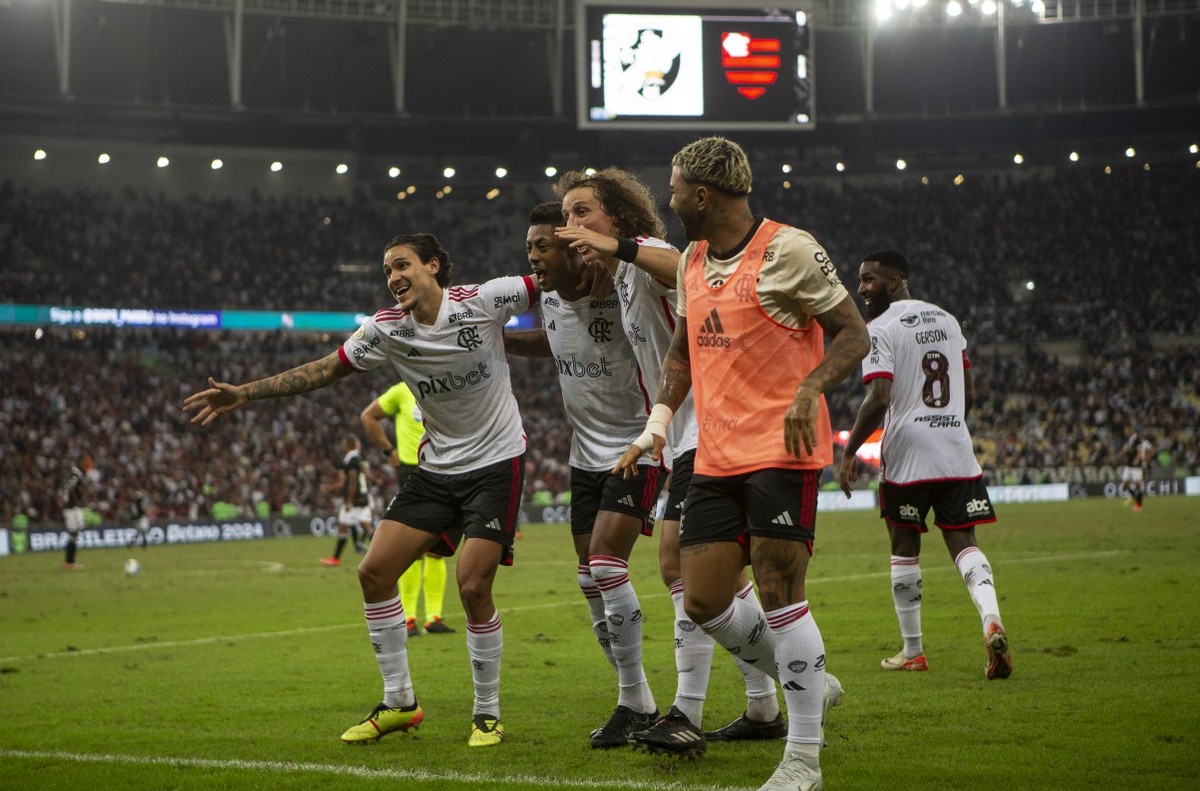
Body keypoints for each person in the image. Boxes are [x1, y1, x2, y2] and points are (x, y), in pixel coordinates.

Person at [184, 232, 536, 748]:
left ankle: (487, 714)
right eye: (387, 270)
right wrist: (247, 393)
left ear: (434, 266)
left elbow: (552, 281)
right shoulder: (386, 329)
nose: (393, 277)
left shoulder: (485, 300)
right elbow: (326, 370)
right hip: (435, 470)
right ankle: (399, 703)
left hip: (496, 463)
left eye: (402, 265)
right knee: (373, 572)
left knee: (472, 586)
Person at [614, 136, 870, 791]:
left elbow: (853, 330)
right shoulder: (694, 260)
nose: (669, 203)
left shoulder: (788, 248)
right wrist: (655, 428)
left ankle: (803, 758)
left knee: (782, 593)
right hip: (714, 455)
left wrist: (811, 389)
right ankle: (810, 673)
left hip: (782, 449)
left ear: (702, 194)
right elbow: (681, 356)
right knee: (702, 598)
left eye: (673, 191)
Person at [554, 170, 826, 758]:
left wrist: (618, 247)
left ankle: (689, 711)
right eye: (567, 216)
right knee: (714, 584)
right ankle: (767, 702)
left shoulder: (651, 256)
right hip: (682, 434)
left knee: (679, 567)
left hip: (717, 429)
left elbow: (669, 259)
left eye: (582, 213)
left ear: (618, 219)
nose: (572, 225)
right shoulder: (622, 278)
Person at [507, 201, 666, 749]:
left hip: (639, 446)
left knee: (606, 563)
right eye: (529, 247)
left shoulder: (621, 290)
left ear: (576, 247)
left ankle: (635, 703)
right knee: (587, 576)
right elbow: (550, 344)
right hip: (585, 455)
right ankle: (637, 696)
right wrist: (497, 339)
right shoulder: (549, 299)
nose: (532, 257)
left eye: (542, 246)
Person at [835, 250, 1013, 683]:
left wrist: (849, 452)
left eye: (869, 280)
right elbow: (967, 390)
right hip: (954, 444)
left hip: (909, 451)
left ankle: (913, 651)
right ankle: (991, 619)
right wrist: (949, 424)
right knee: (964, 543)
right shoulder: (949, 321)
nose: (860, 289)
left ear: (895, 280)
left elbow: (878, 399)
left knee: (903, 543)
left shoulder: (879, 328)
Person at [361, 382, 455, 636]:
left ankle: (433, 617)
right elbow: (368, 417)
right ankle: (409, 618)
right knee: (413, 549)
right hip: (413, 471)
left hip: (445, 469)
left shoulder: (443, 383)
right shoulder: (401, 391)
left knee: (438, 549)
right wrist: (389, 451)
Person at [320, 435, 375, 567]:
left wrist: (349, 500)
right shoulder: (361, 458)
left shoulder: (349, 460)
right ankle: (382, 556)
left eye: (343, 443)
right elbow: (368, 477)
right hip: (364, 497)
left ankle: (335, 558)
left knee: (344, 526)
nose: (341, 446)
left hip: (354, 499)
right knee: (367, 528)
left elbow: (351, 480)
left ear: (349, 445)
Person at [59, 459, 88, 570]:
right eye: (84, 464)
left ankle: (69, 563)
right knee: (74, 534)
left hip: (69, 508)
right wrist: (77, 502)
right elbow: (71, 489)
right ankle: (69, 563)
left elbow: (66, 489)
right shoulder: (76, 475)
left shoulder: (70, 475)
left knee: (74, 534)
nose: (86, 466)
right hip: (72, 508)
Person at [1118, 428, 1153, 512]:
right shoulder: (1129, 442)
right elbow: (1126, 450)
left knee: (1139, 484)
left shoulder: (1144, 442)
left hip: (1140, 466)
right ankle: (1137, 501)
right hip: (1131, 466)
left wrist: (1146, 460)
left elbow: (1150, 451)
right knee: (1126, 485)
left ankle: (1139, 505)